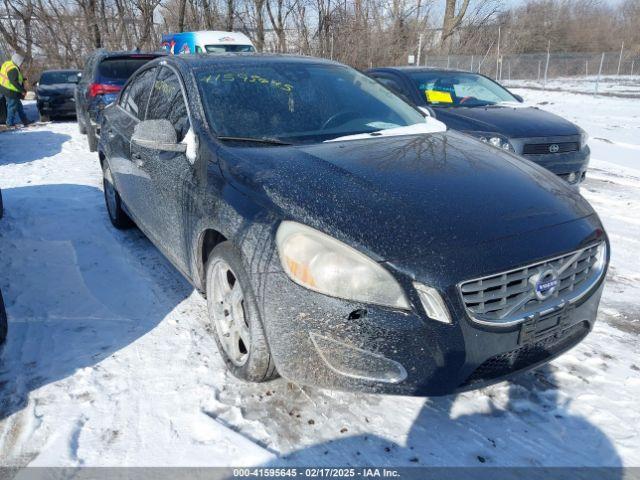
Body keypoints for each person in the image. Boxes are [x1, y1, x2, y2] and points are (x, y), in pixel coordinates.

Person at [0, 53, 30, 127]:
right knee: (12, 106)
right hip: (10, 91)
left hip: (5, 89)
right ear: (17, 61)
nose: (22, 64)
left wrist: (23, 79)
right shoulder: (13, 68)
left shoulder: (8, 64)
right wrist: (22, 90)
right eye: (21, 62)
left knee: (19, 106)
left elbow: (12, 78)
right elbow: (14, 81)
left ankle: (25, 121)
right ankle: (9, 123)